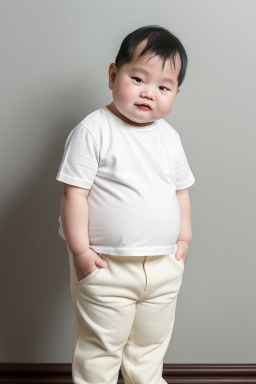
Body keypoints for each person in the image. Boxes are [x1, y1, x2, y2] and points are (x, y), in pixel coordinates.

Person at [56, 25, 196, 384]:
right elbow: (75, 194)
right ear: (113, 74)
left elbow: (180, 191)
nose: (149, 93)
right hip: (107, 265)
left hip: (162, 267)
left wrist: (183, 240)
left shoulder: (169, 137)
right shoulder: (93, 130)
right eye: (138, 79)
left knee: (149, 350)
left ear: (175, 93)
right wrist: (80, 252)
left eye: (163, 87)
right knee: (100, 349)